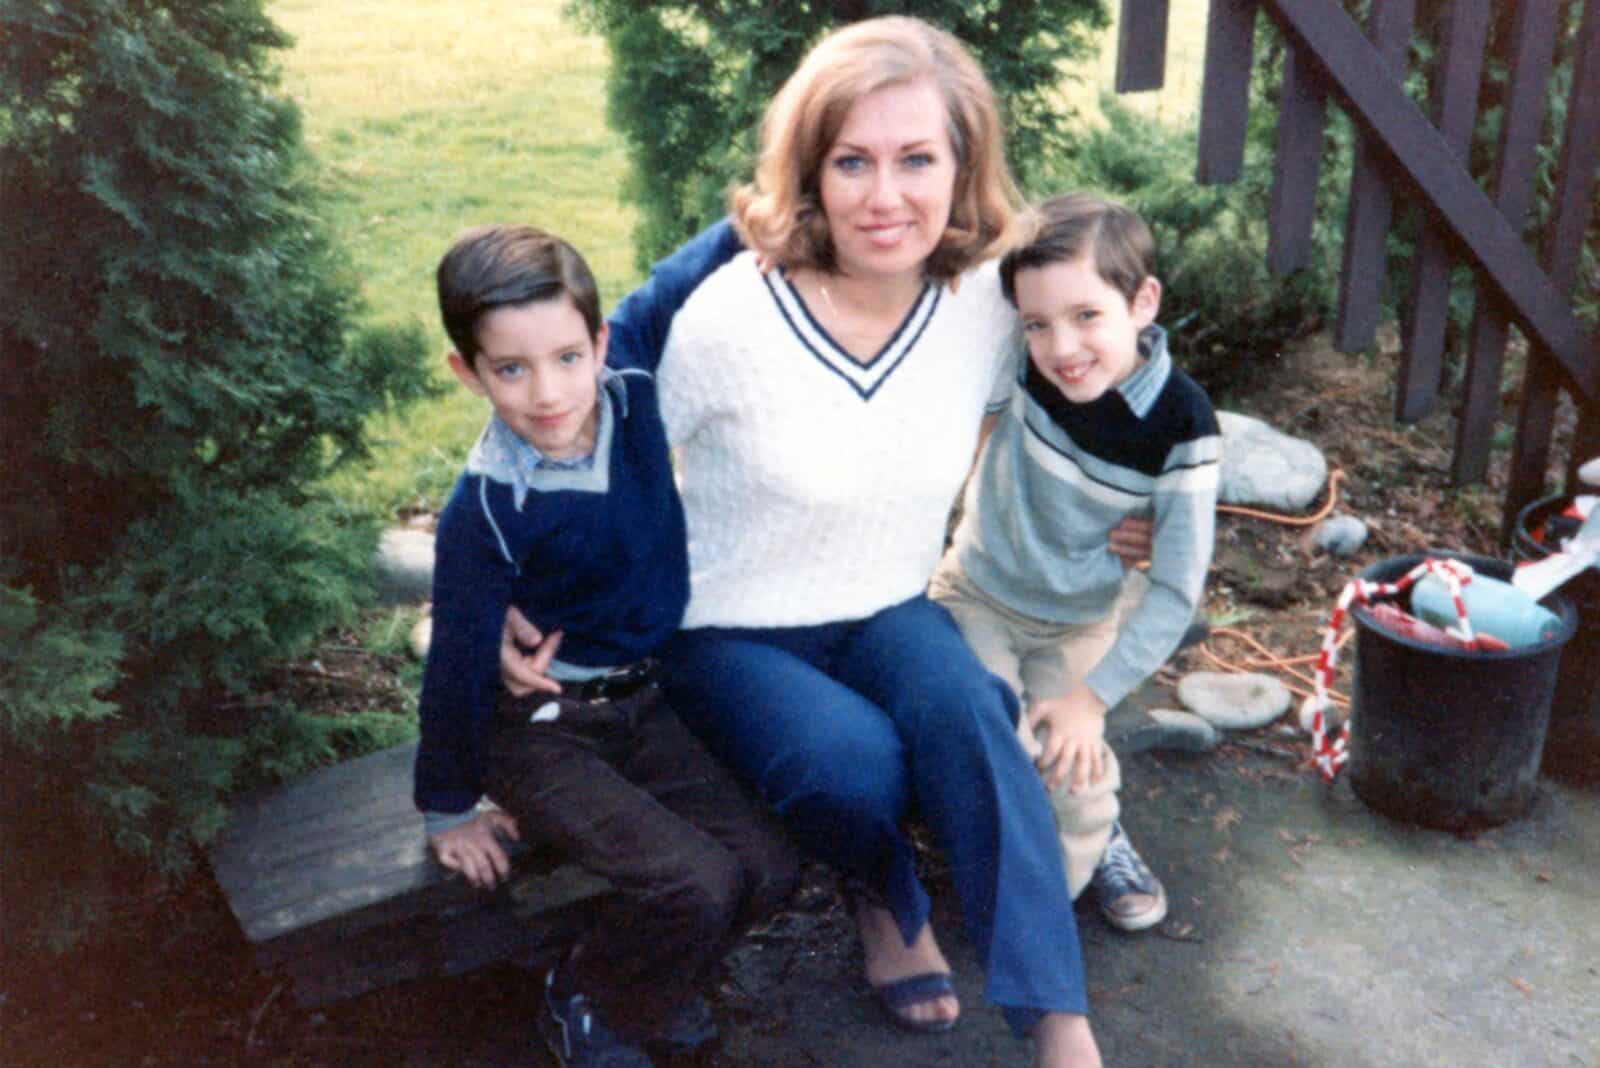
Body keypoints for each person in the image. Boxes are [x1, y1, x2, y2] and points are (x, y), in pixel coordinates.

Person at [502, 17, 1142, 1067]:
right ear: (809, 170)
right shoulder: (727, 315)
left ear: (965, 167)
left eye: (915, 159)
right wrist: (506, 593)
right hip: (728, 628)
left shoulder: (987, 301)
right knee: (850, 765)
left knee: (971, 716)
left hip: (888, 604)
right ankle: (884, 888)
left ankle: (1060, 1029)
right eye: (852, 161)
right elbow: (574, 428)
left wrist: (1149, 485)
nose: (884, 196)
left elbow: (1098, 346)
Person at [414, 224, 798, 1068]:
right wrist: (448, 806)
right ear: (466, 372)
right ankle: (588, 996)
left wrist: (755, 217)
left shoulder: (630, 388)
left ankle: (654, 983)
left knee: (766, 864)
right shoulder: (484, 511)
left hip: (641, 703)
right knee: (692, 879)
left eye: (565, 358)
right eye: (509, 370)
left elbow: (672, 281)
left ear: (598, 344)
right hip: (539, 730)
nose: (548, 392)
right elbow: (455, 664)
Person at [930, 192, 1221, 934]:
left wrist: (1093, 701)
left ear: (1143, 300)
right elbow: (966, 252)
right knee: (997, 736)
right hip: (976, 592)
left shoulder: (1184, 424)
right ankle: (995, 866)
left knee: (1073, 769)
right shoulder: (1018, 361)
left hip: (1081, 619)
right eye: (1038, 323)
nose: (1062, 348)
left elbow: (1174, 591)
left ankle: (1052, 895)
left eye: (1088, 315)